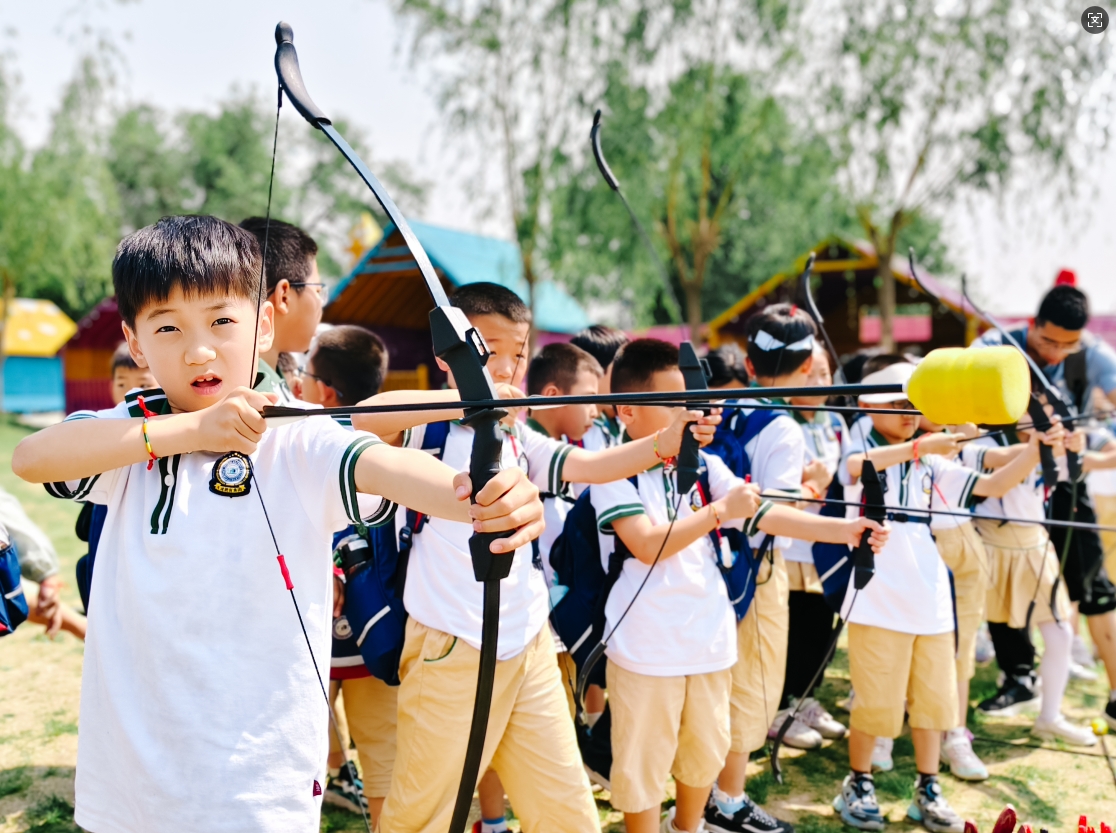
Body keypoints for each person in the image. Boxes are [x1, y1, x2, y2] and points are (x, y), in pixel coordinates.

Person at [11, 216, 545, 833]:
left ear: (264, 324)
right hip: (134, 781)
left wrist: (479, 496)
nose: (199, 350)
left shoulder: (300, 435)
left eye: (222, 321)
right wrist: (192, 430)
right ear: (135, 341)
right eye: (168, 328)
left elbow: (383, 467)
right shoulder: (130, 435)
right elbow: (32, 458)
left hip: (259, 781)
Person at [353, 283, 719, 833]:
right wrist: (468, 400)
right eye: (487, 350)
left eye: (518, 353)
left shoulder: (516, 433)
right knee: (423, 815)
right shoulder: (426, 426)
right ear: (448, 356)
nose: (506, 366)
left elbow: (586, 467)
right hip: (450, 646)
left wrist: (667, 441)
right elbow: (361, 420)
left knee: (568, 813)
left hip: (528, 645)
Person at [596, 339, 889, 833]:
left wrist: (845, 531)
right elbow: (646, 544)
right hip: (646, 649)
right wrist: (717, 512)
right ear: (627, 410)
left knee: (703, 757)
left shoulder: (704, 464)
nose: (690, 414)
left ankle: (686, 827)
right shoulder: (613, 470)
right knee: (642, 769)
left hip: (709, 642)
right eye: (674, 404)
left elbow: (763, 513)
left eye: (691, 402)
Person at [834, 361, 1053, 833]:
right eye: (897, 404)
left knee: (935, 699)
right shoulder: (866, 446)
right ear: (868, 407)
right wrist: (920, 446)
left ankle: (928, 787)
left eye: (915, 405)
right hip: (877, 595)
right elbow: (853, 469)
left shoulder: (930, 461)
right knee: (875, 699)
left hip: (929, 598)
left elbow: (992, 485)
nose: (910, 413)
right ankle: (859, 781)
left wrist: (1037, 448)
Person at [973, 279, 1116, 729]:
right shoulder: (993, 347)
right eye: (1048, 341)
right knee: (1007, 581)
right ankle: (1018, 676)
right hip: (1007, 479)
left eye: (1068, 345)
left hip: (1066, 481)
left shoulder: (1092, 355)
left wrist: (1085, 440)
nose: (1056, 353)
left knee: (1094, 586)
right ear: (1033, 324)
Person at [704, 304, 818, 833]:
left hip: (708, 558)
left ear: (749, 364)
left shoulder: (718, 407)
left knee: (718, 680)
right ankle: (726, 800)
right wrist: (813, 490)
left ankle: (704, 792)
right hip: (758, 568)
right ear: (807, 366)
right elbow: (776, 513)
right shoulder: (784, 428)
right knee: (752, 683)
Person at [291, 323, 395, 824]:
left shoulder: (309, 442)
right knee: (383, 742)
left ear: (325, 391)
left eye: (305, 375)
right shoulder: (383, 443)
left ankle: (333, 777)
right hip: (375, 618)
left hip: (323, 615)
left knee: (302, 728)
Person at [968, 415, 1100, 747]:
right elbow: (997, 477)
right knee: (963, 634)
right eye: (1031, 413)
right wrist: (1041, 447)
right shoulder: (983, 441)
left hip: (1035, 543)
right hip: (991, 542)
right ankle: (947, 726)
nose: (1041, 419)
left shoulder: (1042, 444)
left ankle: (1050, 717)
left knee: (1060, 632)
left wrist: (1073, 448)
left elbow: (1069, 474)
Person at [770, 342, 849, 751]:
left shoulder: (834, 421)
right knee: (792, 628)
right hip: (791, 543)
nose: (819, 382)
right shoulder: (780, 420)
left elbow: (845, 472)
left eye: (825, 373)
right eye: (810, 373)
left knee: (819, 625)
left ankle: (805, 699)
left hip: (826, 542)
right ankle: (779, 707)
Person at [75, 343, 159, 615]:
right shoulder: (105, 429)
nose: (131, 393)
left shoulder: (171, 436)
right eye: (122, 384)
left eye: (143, 384)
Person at [239, 217, 325, 403]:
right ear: (284, 296)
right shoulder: (252, 394)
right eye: (318, 291)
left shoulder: (276, 379)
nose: (320, 303)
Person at [571, 324, 629, 449]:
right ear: (594, 372)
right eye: (620, 369)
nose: (627, 379)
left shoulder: (614, 422)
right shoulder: (572, 433)